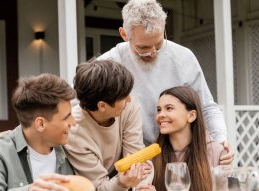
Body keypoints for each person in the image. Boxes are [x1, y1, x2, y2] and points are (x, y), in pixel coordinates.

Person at [98, 0, 233, 164]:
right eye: (143, 48)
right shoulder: (108, 62)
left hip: (179, 156)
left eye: (159, 43)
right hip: (131, 160)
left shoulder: (184, 57)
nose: (153, 52)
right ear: (124, 35)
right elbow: (80, 103)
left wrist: (220, 140)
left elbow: (206, 106)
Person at [64, 59, 153, 191]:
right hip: (90, 189)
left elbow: (136, 157)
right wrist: (121, 183)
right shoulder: (74, 132)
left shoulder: (129, 107)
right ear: (102, 106)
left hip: (120, 175)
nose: (129, 100)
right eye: (124, 97)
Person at [137, 86, 226, 191]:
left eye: (169, 108)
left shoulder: (216, 152)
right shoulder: (151, 157)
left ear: (192, 116)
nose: (161, 115)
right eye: (159, 110)